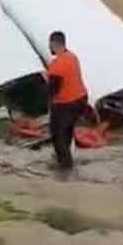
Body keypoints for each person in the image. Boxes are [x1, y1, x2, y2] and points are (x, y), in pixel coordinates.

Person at [46, 31, 88, 171]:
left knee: (57, 135)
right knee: (67, 130)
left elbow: (53, 91)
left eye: (50, 44)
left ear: (53, 44)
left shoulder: (57, 64)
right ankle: (66, 158)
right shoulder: (72, 57)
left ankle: (65, 167)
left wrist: (49, 106)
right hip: (81, 100)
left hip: (67, 103)